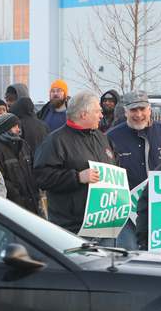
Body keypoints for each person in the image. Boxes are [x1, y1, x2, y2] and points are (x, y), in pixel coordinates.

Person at [33, 91, 118, 235]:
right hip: (71, 228)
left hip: (104, 223)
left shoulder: (102, 138)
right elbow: (41, 176)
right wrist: (77, 177)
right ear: (84, 114)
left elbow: (116, 164)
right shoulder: (56, 141)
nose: (101, 115)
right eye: (98, 111)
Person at [106, 90, 161, 249]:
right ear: (125, 111)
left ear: (149, 109)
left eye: (142, 109)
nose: (138, 114)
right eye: (133, 110)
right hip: (126, 214)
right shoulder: (112, 137)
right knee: (129, 260)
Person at [0, 112, 41, 214]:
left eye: (18, 126)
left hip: (32, 202)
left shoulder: (23, 145)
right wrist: (17, 197)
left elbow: (33, 169)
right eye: (14, 126)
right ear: (5, 129)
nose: (18, 129)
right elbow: (0, 179)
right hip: (12, 206)